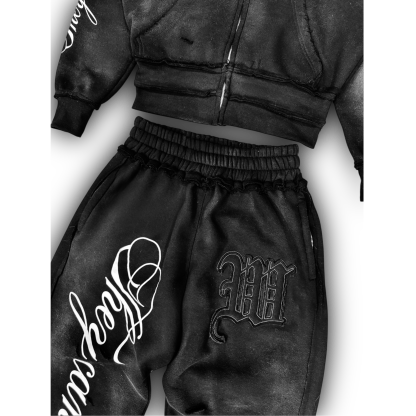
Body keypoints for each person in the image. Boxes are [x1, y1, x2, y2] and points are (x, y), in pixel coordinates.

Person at [50, 1, 363, 415]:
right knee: (79, 366)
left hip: (268, 206)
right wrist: (75, 97)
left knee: (253, 387)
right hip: (148, 172)